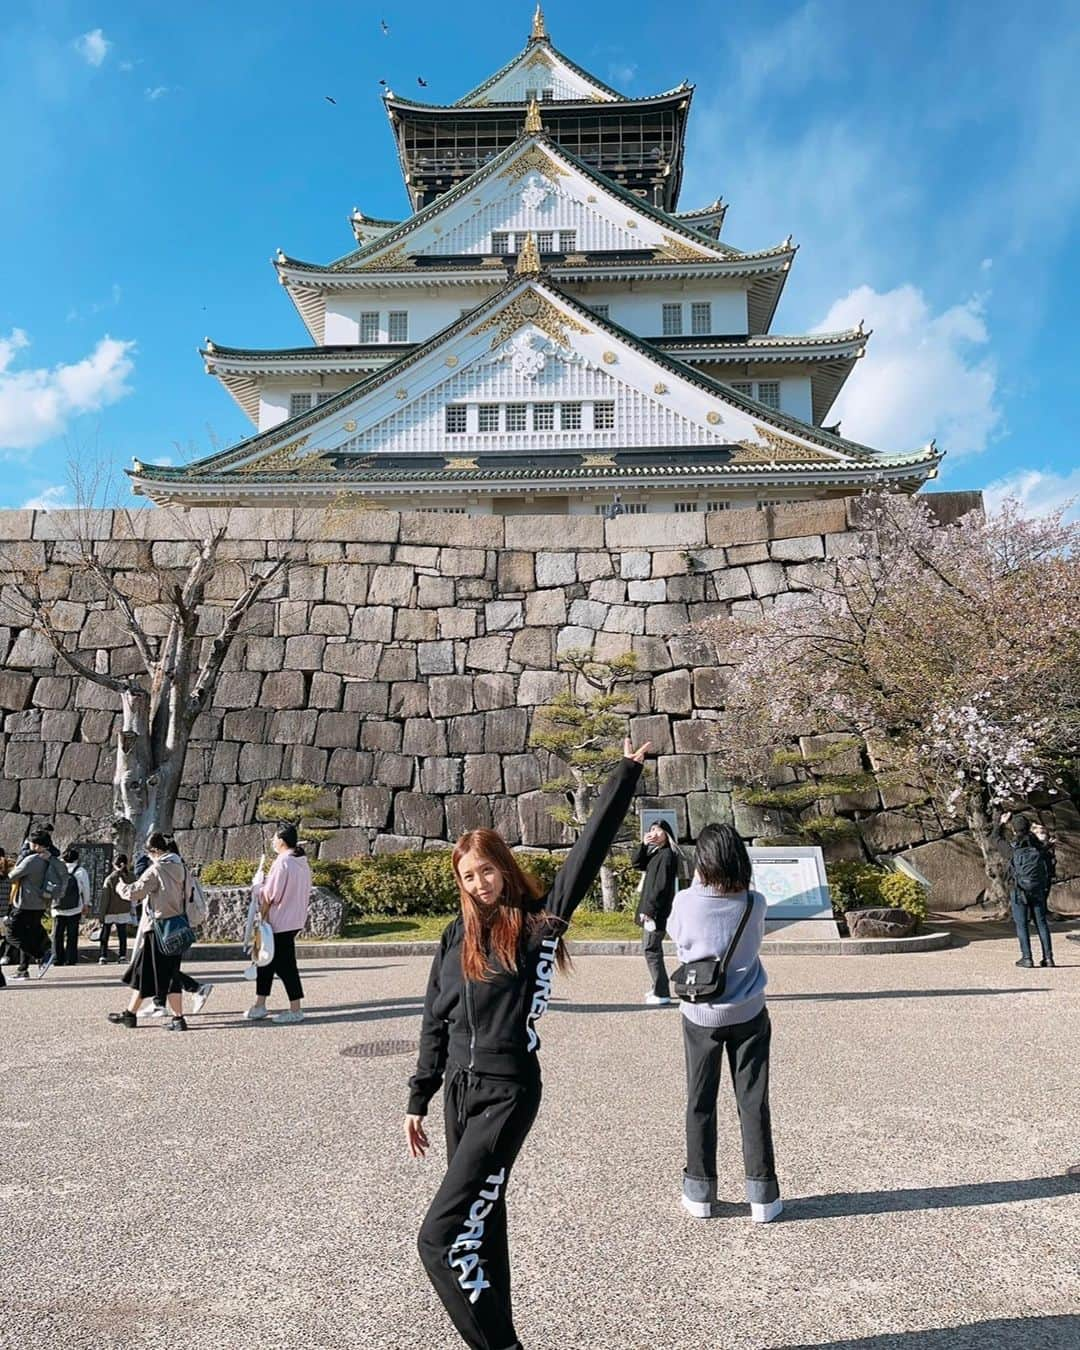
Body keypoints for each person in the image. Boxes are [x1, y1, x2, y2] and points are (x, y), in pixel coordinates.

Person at [405, 739, 649, 1350]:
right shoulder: (452, 936)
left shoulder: (537, 924)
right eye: (469, 876)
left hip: (507, 1091)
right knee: (482, 1224)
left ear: (504, 867)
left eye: (488, 869)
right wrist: (419, 1096)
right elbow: (435, 1019)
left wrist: (625, 776)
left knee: (437, 1236)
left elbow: (585, 857)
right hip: (459, 1093)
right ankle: (504, 1335)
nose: (481, 883)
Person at [665, 821, 781, 1224]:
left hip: (701, 1016)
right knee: (753, 1102)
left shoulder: (685, 902)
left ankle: (699, 1192)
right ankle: (763, 1196)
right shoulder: (755, 903)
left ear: (703, 861)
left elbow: (679, 942)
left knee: (700, 1101)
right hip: (749, 1011)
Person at [110, 832, 191, 1031]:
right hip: (178, 925)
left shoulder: (157, 869)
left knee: (164, 974)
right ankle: (130, 1014)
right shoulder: (181, 867)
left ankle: (178, 1019)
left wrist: (120, 883)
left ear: (155, 851)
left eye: (149, 853)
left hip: (158, 929)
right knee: (144, 972)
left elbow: (134, 892)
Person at [244, 824, 312, 1024]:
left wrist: (257, 886)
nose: (273, 841)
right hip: (294, 920)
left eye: (274, 838)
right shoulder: (301, 862)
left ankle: (295, 1009)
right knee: (266, 962)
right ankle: (260, 1004)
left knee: (284, 965)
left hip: (278, 921)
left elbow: (270, 894)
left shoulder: (282, 862)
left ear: (281, 841)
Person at [633, 819, 680, 1006]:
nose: (654, 833)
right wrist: (643, 845)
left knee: (651, 949)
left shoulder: (667, 855)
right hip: (653, 910)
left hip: (656, 911)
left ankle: (661, 992)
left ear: (667, 834)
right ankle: (657, 987)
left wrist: (649, 909)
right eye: (652, 830)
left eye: (659, 830)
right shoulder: (657, 854)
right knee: (651, 948)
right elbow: (637, 864)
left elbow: (660, 887)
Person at [6, 831, 64, 981]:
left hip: (24, 903)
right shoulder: (51, 859)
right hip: (40, 903)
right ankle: (22, 969)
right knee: (28, 935)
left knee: (11, 934)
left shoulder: (31, 860)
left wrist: (19, 859)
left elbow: (12, 875)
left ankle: (41, 955)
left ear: (36, 845)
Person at [1009, 817, 1054, 968]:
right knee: (1041, 923)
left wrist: (999, 823)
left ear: (1014, 830)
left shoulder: (1012, 849)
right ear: (1029, 829)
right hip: (1037, 889)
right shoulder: (1039, 849)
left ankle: (1027, 958)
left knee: (1022, 924)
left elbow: (995, 838)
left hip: (1019, 890)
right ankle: (1048, 958)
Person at [52, 847, 90, 967]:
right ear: (76, 859)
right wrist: (86, 904)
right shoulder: (81, 871)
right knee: (72, 935)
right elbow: (86, 889)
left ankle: (57, 958)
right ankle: (70, 959)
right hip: (75, 908)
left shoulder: (57, 869)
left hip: (58, 908)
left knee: (57, 935)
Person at [97, 854, 134, 963]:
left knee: (105, 934)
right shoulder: (131, 877)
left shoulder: (110, 878)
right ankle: (122, 956)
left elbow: (105, 899)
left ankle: (103, 956)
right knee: (122, 934)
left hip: (110, 910)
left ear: (114, 864)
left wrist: (101, 914)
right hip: (124, 909)